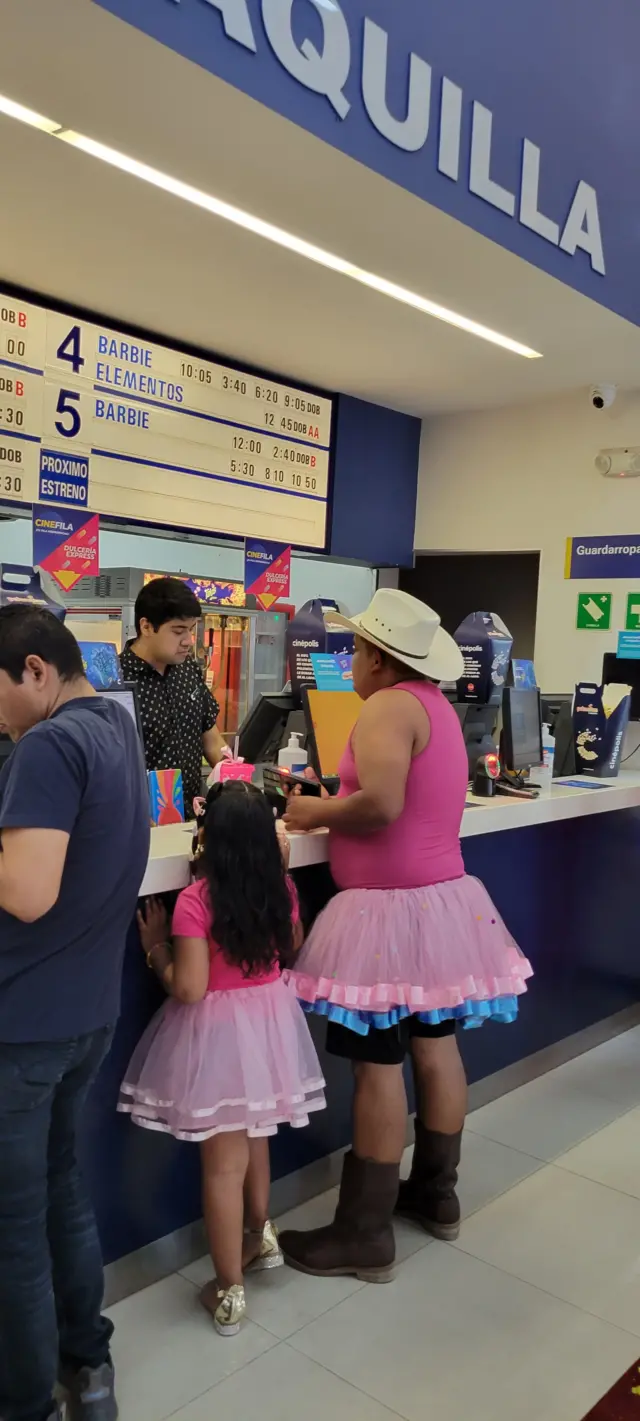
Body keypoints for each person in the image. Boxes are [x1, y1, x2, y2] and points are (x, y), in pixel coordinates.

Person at [280, 588, 532, 1282]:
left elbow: (382, 803)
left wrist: (310, 811)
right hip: (441, 909)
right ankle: (435, 1192)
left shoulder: (386, 705)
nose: (349, 661)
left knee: (378, 1065)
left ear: (377, 656)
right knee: (435, 1046)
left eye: (355, 649)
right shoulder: (436, 707)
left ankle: (364, 1230)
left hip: (386, 916)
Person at [0, 605, 150, 1421]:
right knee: (61, 1190)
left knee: (14, 1229)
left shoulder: (49, 744)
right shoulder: (114, 726)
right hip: (87, 1013)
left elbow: (26, 891)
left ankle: (27, 1404)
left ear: (33, 670)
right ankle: (88, 1371)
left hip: (23, 1024)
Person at [118, 781, 326, 1337]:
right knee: (257, 1138)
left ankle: (228, 1288)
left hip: (216, 1039)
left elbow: (188, 988)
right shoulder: (280, 889)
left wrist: (156, 950)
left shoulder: (194, 902)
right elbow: (292, 948)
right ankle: (261, 1239)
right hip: (269, 1029)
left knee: (222, 1167)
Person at [120, 577, 227, 815]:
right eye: (178, 631)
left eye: (191, 629)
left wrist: (235, 779)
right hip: (138, 821)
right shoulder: (115, 681)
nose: (188, 641)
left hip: (191, 815)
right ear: (146, 627)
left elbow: (211, 737)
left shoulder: (187, 669)